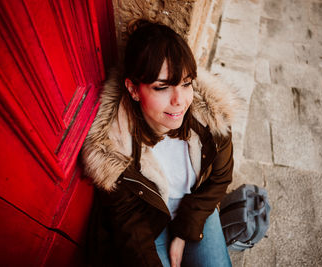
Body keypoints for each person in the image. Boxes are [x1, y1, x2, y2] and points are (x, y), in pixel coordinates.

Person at [82, 19, 238, 267]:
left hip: (196, 207)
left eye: (186, 84)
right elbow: (128, 224)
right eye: (162, 87)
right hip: (149, 221)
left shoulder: (210, 120)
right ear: (133, 90)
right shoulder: (114, 148)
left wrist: (185, 230)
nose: (179, 100)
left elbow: (220, 177)